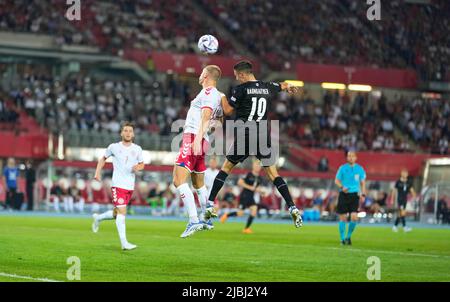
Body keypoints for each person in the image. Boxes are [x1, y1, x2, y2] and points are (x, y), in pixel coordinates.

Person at [206, 60, 303, 228]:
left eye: (237, 76)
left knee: (226, 168)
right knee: (274, 174)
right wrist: (289, 86)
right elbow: (282, 84)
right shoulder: (266, 86)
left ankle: (209, 204)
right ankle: (292, 207)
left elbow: (228, 110)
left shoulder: (240, 89)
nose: (237, 79)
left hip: (245, 133)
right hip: (263, 135)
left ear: (243, 74)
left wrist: (222, 97)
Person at [172, 65, 226, 238]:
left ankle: (193, 220)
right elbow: (219, 120)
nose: (200, 74)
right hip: (203, 139)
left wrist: (196, 139)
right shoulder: (219, 96)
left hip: (194, 137)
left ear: (207, 76)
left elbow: (205, 116)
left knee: (178, 180)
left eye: (202, 72)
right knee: (198, 183)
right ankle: (206, 219)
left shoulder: (209, 93)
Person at [91, 122, 144, 250]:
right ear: (121, 133)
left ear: (133, 134)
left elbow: (142, 164)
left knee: (117, 213)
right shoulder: (114, 147)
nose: (128, 133)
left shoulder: (137, 149)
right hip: (118, 185)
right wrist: (97, 172)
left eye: (130, 131)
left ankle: (98, 218)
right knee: (122, 212)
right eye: (125, 130)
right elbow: (103, 159)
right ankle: (124, 243)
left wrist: (138, 167)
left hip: (129, 186)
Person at [220, 160, 264, 233]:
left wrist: (261, 192)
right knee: (240, 213)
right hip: (244, 195)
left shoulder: (259, 178)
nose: (257, 167)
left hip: (251, 197)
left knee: (254, 210)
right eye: (256, 165)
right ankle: (226, 215)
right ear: (253, 166)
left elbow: (257, 188)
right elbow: (240, 182)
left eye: (259, 166)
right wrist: (250, 187)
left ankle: (246, 228)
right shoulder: (248, 174)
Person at [335, 150, 367, 245]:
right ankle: (342, 239)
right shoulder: (342, 168)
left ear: (356, 157)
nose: (350, 157)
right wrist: (342, 187)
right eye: (349, 156)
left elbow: (363, 183)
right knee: (343, 218)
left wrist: (363, 194)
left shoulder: (360, 169)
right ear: (347, 157)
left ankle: (348, 237)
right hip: (344, 194)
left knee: (354, 217)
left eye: (352, 156)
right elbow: (336, 180)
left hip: (355, 195)